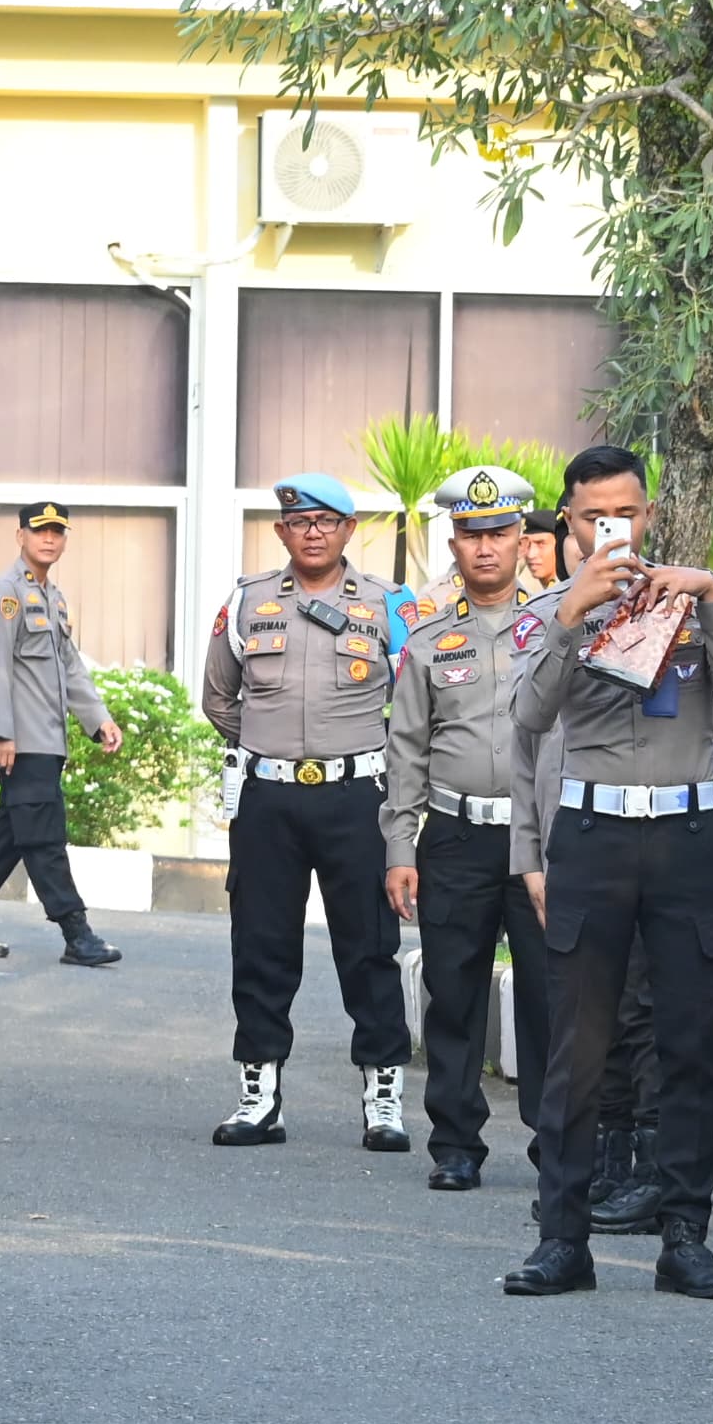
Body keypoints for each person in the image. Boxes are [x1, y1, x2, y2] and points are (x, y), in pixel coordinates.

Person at [498, 446, 713, 1297]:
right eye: (593, 516)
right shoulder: (553, 608)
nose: (611, 527)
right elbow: (528, 717)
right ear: (569, 523)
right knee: (578, 1045)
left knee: (689, 1039)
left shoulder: (685, 599)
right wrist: (569, 619)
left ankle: (686, 1235)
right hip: (593, 834)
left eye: (626, 512)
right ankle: (562, 1237)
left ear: (646, 514)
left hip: (686, 833)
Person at [201, 473, 414, 1149]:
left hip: (358, 797)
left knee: (370, 945)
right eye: (300, 521)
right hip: (270, 800)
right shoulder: (248, 600)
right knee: (260, 944)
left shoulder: (388, 604)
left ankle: (383, 1096)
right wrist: (269, 750)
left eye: (327, 520)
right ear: (281, 531)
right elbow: (218, 697)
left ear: (350, 530)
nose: (314, 531)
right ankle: (259, 1095)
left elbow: (415, 707)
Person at [384, 465, 554, 1190]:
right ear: (452, 541)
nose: (485, 547)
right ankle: (455, 1141)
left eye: (499, 532)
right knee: (453, 992)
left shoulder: (556, 624)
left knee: (552, 990)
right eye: (471, 534)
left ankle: (560, 1143)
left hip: (540, 839)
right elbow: (407, 748)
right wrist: (399, 844)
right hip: (454, 834)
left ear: (523, 538)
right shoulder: (428, 638)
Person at [0, 503, 124, 967]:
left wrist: (97, 717)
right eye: (40, 531)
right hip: (21, 741)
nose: (49, 539)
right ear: (20, 536)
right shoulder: (6, 593)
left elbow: (70, 666)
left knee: (13, 830)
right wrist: (0, 732)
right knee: (43, 837)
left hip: (47, 739)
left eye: (58, 532)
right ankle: (76, 933)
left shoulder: (54, 598)